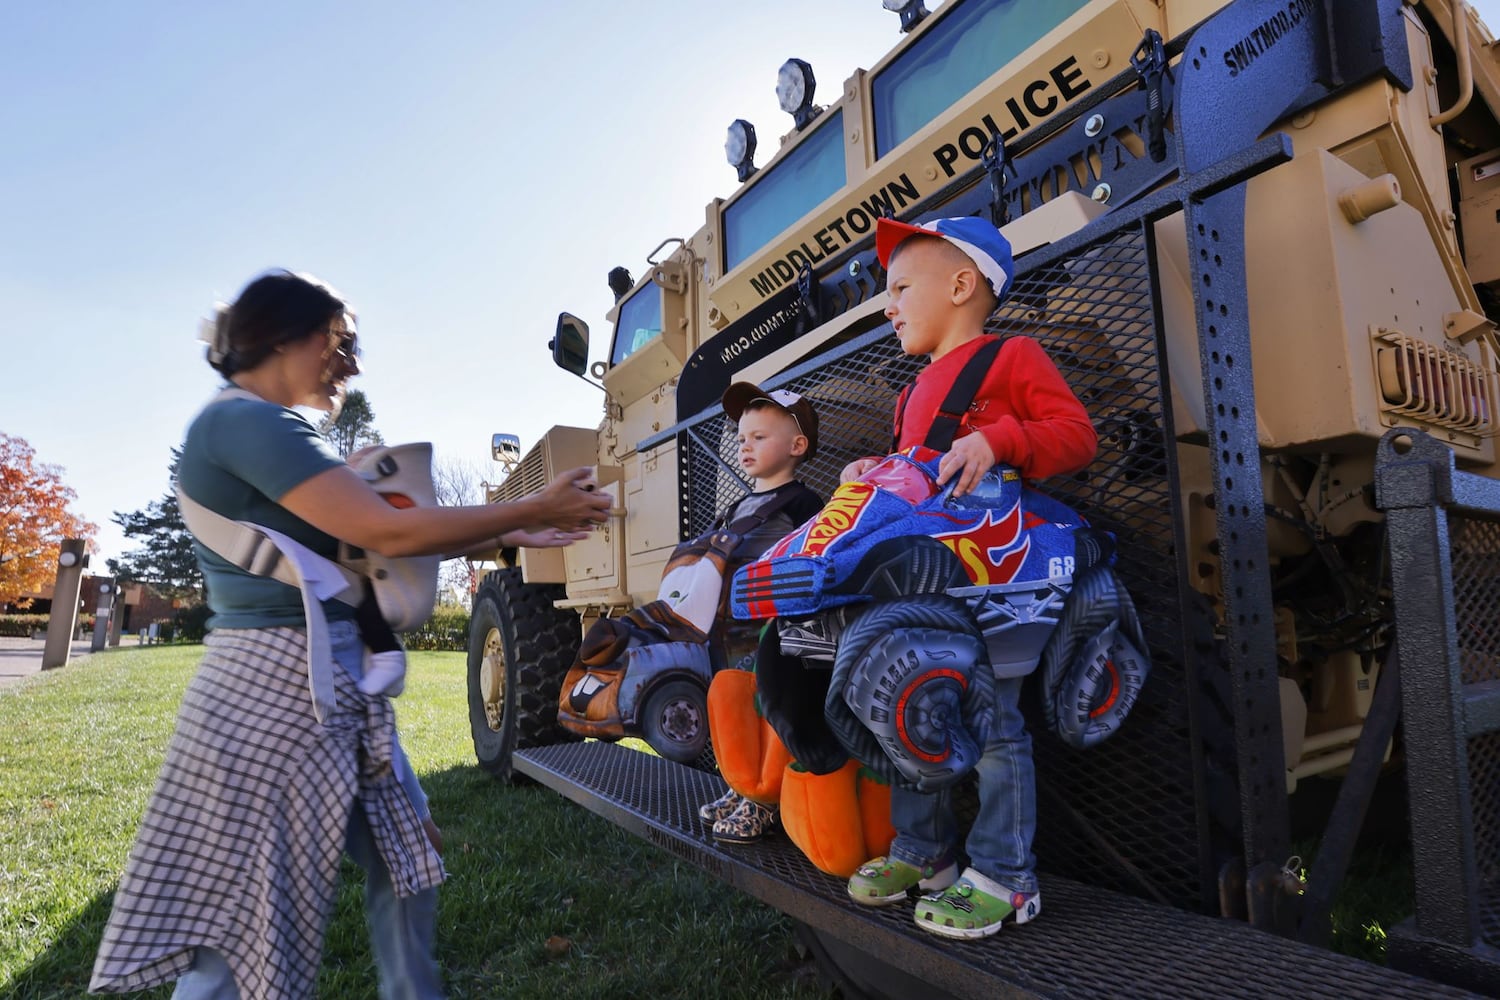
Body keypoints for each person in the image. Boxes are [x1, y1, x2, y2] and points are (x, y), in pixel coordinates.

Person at [91, 270, 611, 999]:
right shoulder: (242, 423)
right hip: (274, 690)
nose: (353, 362)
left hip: (327, 682)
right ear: (282, 335)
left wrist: (514, 526)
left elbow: (361, 550)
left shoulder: (274, 428)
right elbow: (379, 528)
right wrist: (527, 508)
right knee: (250, 921)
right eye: (341, 341)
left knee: (410, 855)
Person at [840, 216, 1097, 939]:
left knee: (991, 720)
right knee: (907, 706)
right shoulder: (909, 392)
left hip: (996, 575)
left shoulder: (1011, 357)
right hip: (924, 579)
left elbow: (1077, 437)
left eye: (899, 288)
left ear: (961, 285)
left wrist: (999, 438)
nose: (887, 305)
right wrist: (872, 473)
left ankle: (1005, 876)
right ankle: (925, 853)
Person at [695, 381, 823, 844]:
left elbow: (817, 557)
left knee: (771, 707)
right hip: (731, 627)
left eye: (759, 437)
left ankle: (766, 797)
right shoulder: (736, 505)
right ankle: (741, 784)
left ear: (796, 445)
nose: (745, 445)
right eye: (741, 437)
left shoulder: (805, 503)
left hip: (776, 629)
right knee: (736, 706)